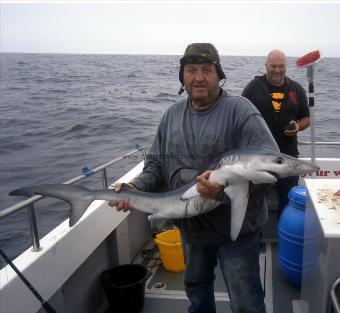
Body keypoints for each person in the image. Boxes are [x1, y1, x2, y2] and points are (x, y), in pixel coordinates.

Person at [110, 43, 279, 313]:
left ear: (218, 74)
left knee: (246, 301)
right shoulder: (171, 116)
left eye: (206, 70)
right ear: (182, 76)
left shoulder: (241, 111)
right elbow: (155, 166)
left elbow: (271, 167)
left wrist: (221, 194)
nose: (198, 77)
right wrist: (135, 187)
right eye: (191, 70)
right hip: (192, 229)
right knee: (197, 294)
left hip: (237, 230)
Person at [242, 50, 310, 219]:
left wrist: (298, 126)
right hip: (258, 158)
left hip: (288, 156)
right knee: (255, 204)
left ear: (285, 67)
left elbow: (306, 118)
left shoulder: (297, 88)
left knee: (288, 205)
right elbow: (239, 116)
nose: (277, 70)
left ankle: (284, 239)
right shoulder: (253, 87)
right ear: (266, 66)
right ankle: (254, 242)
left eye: (281, 66)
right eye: (273, 66)